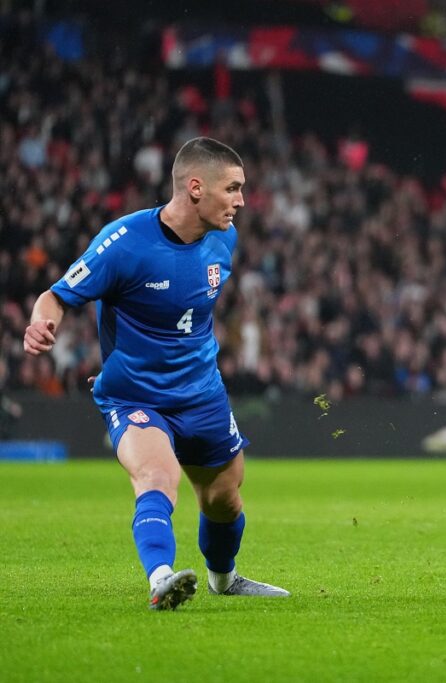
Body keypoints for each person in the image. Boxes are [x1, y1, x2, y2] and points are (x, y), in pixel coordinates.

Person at [23, 137, 290, 610]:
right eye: (232, 188)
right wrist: (42, 323)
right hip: (135, 397)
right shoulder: (123, 244)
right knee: (157, 476)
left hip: (202, 394)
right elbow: (58, 295)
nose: (241, 201)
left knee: (225, 498)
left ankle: (223, 579)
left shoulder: (224, 240)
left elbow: (188, 316)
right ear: (194, 188)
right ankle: (162, 578)